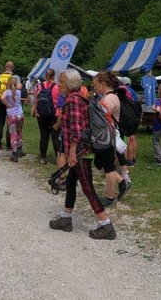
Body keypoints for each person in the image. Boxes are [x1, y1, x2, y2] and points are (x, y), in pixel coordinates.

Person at [48, 68, 116, 240]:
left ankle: (105, 224)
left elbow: (77, 130)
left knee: (87, 187)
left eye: (62, 82)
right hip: (82, 149)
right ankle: (66, 218)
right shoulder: (80, 98)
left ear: (69, 84)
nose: (59, 85)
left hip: (79, 151)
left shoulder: (73, 101)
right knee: (71, 183)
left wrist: (71, 153)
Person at [92, 72, 130, 206]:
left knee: (108, 167)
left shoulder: (109, 99)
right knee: (102, 164)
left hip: (107, 136)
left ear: (103, 84)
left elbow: (102, 116)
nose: (94, 88)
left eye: (95, 85)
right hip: (107, 135)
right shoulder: (111, 97)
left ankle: (109, 197)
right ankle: (121, 182)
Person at [35, 69, 61, 164]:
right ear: (54, 76)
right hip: (54, 114)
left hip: (41, 114)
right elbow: (59, 101)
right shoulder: (57, 87)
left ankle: (42, 157)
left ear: (45, 76)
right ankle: (58, 158)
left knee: (44, 136)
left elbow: (35, 100)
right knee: (55, 137)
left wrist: (35, 110)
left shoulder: (38, 86)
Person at [2, 75, 25, 161]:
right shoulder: (19, 92)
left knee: (13, 135)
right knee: (19, 133)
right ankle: (20, 149)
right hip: (20, 115)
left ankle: (14, 154)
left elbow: (2, 98)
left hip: (11, 116)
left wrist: (7, 105)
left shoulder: (7, 92)